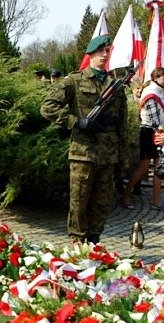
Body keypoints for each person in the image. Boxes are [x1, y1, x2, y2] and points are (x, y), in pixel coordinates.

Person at [40, 35, 128, 244]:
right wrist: (76, 122)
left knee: (102, 203)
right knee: (79, 202)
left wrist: (123, 156)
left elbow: (122, 123)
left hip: (108, 154)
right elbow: (47, 108)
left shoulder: (115, 85)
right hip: (83, 153)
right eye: (100, 51)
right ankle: (77, 243)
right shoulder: (74, 80)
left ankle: (94, 242)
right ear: (90, 54)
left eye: (107, 51)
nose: (104, 55)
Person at [120, 67, 164, 209]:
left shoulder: (159, 92)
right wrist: (162, 133)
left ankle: (156, 199)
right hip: (149, 132)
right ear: (156, 78)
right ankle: (126, 194)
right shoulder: (151, 93)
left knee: (159, 165)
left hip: (158, 132)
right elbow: (155, 119)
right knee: (144, 167)